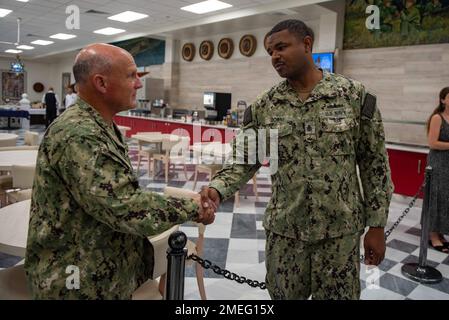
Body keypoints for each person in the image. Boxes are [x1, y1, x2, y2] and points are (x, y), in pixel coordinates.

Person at [200, 19, 393, 300]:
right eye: (270, 52)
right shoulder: (265, 106)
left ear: (307, 44)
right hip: (286, 235)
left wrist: (377, 226)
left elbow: (375, 166)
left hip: (339, 236)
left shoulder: (354, 97)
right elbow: (243, 160)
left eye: (281, 47)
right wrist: (217, 189)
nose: (275, 57)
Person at [24, 43, 215, 300]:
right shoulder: (79, 133)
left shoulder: (100, 125)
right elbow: (125, 206)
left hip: (103, 275)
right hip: (77, 284)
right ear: (101, 83)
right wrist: (194, 208)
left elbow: (118, 192)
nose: (138, 83)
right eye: (131, 75)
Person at [426, 86, 449, 253]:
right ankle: (432, 235)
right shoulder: (437, 118)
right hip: (438, 162)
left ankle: (440, 232)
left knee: (445, 198)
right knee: (436, 196)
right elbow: (432, 143)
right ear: (443, 100)